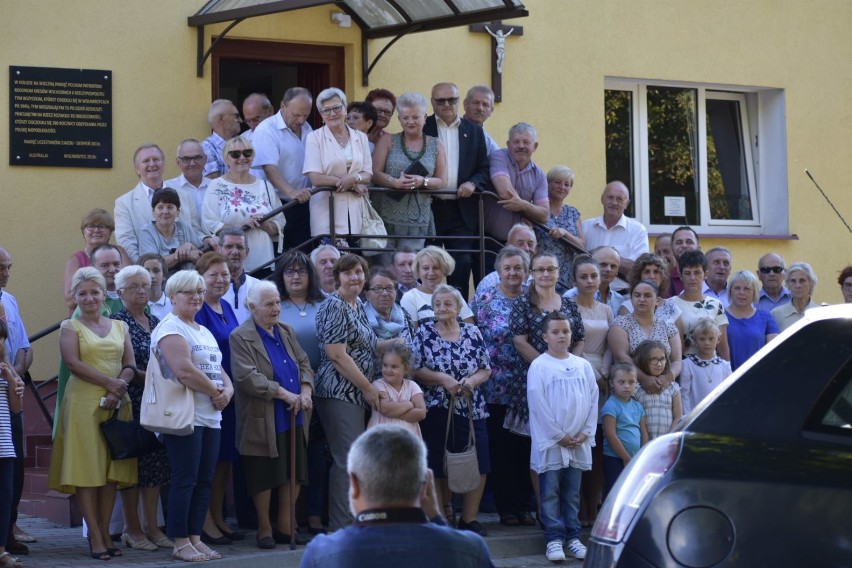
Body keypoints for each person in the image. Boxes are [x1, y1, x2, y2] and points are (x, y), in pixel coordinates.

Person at [299, 424, 494, 568]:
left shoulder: (323, 552)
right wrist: (437, 518)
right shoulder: (469, 549)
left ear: (355, 486)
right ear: (425, 487)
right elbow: (454, 546)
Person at [48, 267, 137, 561]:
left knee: (111, 472)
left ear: (104, 295)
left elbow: (130, 363)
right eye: (82, 293)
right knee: (88, 472)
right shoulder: (69, 327)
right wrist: (109, 384)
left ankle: (105, 533)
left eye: (94, 292)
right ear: (75, 297)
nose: (89, 298)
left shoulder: (119, 326)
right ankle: (96, 536)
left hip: (116, 403)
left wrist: (117, 388)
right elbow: (73, 363)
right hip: (84, 405)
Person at [149, 269, 234, 562]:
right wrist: (216, 392)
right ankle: (180, 541)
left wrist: (229, 390)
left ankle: (195, 538)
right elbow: (183, 370)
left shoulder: (202, 330)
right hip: (184, 415)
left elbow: (218, 367)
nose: (196, 297)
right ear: (173, 296)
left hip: (211, 414)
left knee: (205, 479)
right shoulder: (170, 328)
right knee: (185, 479)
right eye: (189, 292)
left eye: (199, 291)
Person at [230, 281, 314, 549]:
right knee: (264, 473)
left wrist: (305, 390)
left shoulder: (286, 330)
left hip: (295, 412)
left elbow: (303, 363)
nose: (276, 308)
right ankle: (264, 527)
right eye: (269, 304)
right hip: (265, 414)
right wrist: (282, 394)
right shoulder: (240, 336)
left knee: (294, 471)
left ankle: (286, 524)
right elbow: (246, 377)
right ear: (253, 307)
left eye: (277, 302)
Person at [412, 285, 491, 536]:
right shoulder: (424, 332)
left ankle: (469, 519)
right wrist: (444, 379)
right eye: (438, 304)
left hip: (471, 406)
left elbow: (485, 368)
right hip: (436, 406)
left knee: (479, 461)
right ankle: (438, 517)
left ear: (458, 308)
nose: (443, 308)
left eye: (448, 304)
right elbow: (415, 369)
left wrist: (472, 381)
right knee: (436, 462)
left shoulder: (472, 331)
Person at [313, 254, 381, 531]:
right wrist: (367, 388)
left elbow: (367, 345)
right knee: (347, 459)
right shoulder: (334, 306)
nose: (354, 277)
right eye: (348, 273)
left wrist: (396, 344)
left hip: (358, 393)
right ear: (337, 277)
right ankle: (341, 527)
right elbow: (336, 355)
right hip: (339, 391)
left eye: (359, 272)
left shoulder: (358, 305)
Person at [470, 246, 534, 527]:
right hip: (494, 387)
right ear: (498, 272)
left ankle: (524, 505)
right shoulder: (484, 299)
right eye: (507, 268)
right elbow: (472, 338)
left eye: (518, 268)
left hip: (527, 387)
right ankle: (506, 507)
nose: (513, 273)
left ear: (526, 272)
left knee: (525, 447)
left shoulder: (533, 300)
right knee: (500, 448)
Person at [110, 266, 172, 552]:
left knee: (156, 464)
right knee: (133, 466)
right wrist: (161, 378)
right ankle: (131, 528)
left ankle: (152, 525)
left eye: (145, 285)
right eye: (134, 286)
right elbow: (127, 367)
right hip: (131, 401)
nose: (141, 290)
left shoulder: (156, 320)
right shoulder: (117, 322)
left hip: (157, 402)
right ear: (120, 291)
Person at [527, 312, 597, 562]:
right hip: (553, 444)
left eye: (565, 331)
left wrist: (585, 432)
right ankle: (554, 539)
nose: (561, 336)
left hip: (578, 441)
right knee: (551, 492)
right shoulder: (540, 366)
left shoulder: (583, 365)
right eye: (555, 332)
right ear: (545, 336)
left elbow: (592, 400)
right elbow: (538, 405)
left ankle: (574, 538)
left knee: (572, 492)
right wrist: (559, 435)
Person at [274, 250, 327, 536]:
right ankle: (287, 518)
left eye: (301, 271)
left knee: (317, 456)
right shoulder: (275, 305)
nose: (296, 276)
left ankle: (315, 514)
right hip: (289, 391)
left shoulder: (325, 303)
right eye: (290, 271)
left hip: (324, 388)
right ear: (281, 276)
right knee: (293, 455)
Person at [191, 253, 243, 546]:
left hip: (230, 393)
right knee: (208, 461)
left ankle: (218, 516)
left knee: (224, 460)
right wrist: (219, 389)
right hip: (210, 394)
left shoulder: (225, 305)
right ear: (200, 278)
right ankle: (205, 521)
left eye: (224, 274)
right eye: (213, 275)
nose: (221, 279)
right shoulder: (199, 310)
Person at [424, 81, 491, 299]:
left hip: (461, 210)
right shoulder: (422, 127)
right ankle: (425, 313)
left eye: (451, 99)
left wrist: (472, 183)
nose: (446, 104)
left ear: (458, 101)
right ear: (432, 102)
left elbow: (484, 168)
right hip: (428, 208)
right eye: (440, 100)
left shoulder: (474, 131)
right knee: (427, 263)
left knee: (461, 264)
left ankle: (458, 317)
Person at [509, 253, 585, 435]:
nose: (545, 273)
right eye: (540, 269)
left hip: (567, 378)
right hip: (534, 375)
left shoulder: (569, 304)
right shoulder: (523, 303)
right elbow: (519, 341)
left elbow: (580, 338)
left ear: (558, 273)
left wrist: (567, 367)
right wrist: (550, 367)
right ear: (532, 274)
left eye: (551, 269)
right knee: (535, 440)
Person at [371, 91, 446, 257]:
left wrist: (422, 181)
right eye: (405, 118)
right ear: (399, 119)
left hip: (416, 220)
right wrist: (393, 182)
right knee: (385, 270)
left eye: (415, 117)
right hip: (385, 216)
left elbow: (440, 181)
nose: (410, 122)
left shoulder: (436, 145)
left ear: (425, 117)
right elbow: (374, 173)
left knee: (409, 271)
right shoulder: (388, 141)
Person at [570, 255, 613, 527]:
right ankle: (580, 504)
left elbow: (610, 344)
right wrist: (592, 374)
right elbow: (574, 343)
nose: (589, 281)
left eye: (593, 276)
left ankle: (594, 501)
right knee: (581, 438)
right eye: (583, 277)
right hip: (579, 373)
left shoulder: (606, 310)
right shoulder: (568, 307)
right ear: (575, 280)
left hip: (604, 378)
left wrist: (605, 373)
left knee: (598, 441)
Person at [203, 136, 286, 274]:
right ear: (226, 158)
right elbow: (209, 222)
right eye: (235, 154)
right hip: (231, 261)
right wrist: (241, 226)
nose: (242, 157)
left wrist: (264, 224)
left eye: (247, 153)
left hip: (263, 258)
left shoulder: (264, 185)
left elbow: (280, 221)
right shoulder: (217, 185)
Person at [303, 88, 373, 244]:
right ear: (321, 115)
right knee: (330, 265)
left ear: (345, 108)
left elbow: (368, 174)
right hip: (327, 213)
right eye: (326, 110)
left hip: (356, 213)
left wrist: (355, 178)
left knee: (355, 262)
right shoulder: (314, 138)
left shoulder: (361, 137)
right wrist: (351, 184)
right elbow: (316, 178)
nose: (332, 113)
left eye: (336, 108)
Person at [252, 87, 315, 249]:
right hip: (280, 205)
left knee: (304, 254)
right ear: (282, 106)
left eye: (305, 115)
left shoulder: (308, 128)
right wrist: (292, 192)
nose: (301, 120)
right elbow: (269, 168)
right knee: (283, 257)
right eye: (296, 115)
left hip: (305, 203)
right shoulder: (266, 130)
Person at [0, 248, 32, 557]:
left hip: (10, 391)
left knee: (14, 466)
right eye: (1, 267)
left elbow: (23, 346)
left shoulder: (10, 301)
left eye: (8, 267)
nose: (6, 273)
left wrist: (14, 374)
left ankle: (7, 531)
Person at [115, 144, 193, 261]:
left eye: (156, 159)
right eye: (146, 161)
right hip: (148, 272)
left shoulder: (184, 195)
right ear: (137, 169)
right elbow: (127, 242)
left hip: (186, 268)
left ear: (163, 164)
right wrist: (143, 268)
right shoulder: (124, 203)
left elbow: (196, 231)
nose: (152, 164)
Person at [608, 280, 683, 394]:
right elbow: (621, 357)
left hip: (664, 389)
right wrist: (644, 379)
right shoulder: (621, 324)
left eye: (647, 295)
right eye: (637, 295)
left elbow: (677, 360)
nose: (641, 299)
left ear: (657, 300)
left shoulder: (668, 327)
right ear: (631, 298)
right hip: (630, 389)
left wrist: (667, 378)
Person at [486, 123, 549, 246]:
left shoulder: (539, 175)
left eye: (526, 142)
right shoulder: (499, 157)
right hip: (489, 240)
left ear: (535, 146)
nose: (521, 146)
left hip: (520, 246)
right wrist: (530, 210)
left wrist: (524, 206)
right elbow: (505, 193)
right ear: (508, 144)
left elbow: (545, 215)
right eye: (516, 142)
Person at [63, 209, 131, 313]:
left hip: (120, 312)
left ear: (110, 232)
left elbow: (131, 284)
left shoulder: (119, 252)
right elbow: (70, 300)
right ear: (83, 231)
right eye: (91, 226)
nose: (96, 230)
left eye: (102, 226)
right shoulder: (76, 260)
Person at [668, 250, 731, 360]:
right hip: (682, 367)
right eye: (687, 273)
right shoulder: (670, 304)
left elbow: (722, 346)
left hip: (711, 367)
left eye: (697, 272)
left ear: (705, 274)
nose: (692, 278)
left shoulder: (716, 304)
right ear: (680, 275)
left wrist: (728, 372)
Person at [534, 166, 586, 291]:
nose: (562, 187)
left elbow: (582, 247)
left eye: (567, 184)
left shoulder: (573, 213)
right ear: (547, 183)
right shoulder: (537, 209)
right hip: (542, 274)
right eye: (557, 182)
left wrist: (565, 233)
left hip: (566, 278)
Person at [601, 362, 648, 498]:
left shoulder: (638, 406)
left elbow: (644, 432)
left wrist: (641, 455)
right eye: (621, 382)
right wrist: (626, 458)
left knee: (632, 494)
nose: (627, 386)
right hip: (615, 458)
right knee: (615, 493)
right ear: (612, 383)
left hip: (635, 458)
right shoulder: (611, 406)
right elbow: (611, 435)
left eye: (631, 382)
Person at [0, 319, 25, 568]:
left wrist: (12, 382)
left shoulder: (5, 372)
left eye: (1, 338)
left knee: (4, 499)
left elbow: (17, 410)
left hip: (4, 447)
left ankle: (1, 551)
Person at [581, 181, 649, 274]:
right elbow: (578, 259)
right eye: (610, 197)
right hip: (589, 287)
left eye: (620, 199)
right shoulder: (586, 226)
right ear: (602, 199)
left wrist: (599, 258)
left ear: (627, 204)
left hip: (622, 288)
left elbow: (638, 267)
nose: (614, 203)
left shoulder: (638, 230)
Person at [400, 246, 474, 326]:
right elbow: (412, 333)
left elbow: (470, 325)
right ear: (418, 270)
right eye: (425, 268)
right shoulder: (410, 297)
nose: (431, 273)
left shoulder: (454, 294)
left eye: (436, 268)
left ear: (444, 269)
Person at [367, 343, 426, 437]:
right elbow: (385, 409)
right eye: (385, 365)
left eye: (394, 366)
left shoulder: (412, 386)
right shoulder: (378, 385)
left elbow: (421, 413)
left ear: (406, 368)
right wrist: (408, 404)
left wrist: (394, 411)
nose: (388, 370)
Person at [164, 139, 216, 244]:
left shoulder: (216, 187)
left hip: (217, 245)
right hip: (185, 250)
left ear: (205, 159)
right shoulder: (168, 189)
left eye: (197, 158)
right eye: (186, 159)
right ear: (178, 162)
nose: (192, 163)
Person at [725, 270, 779, 371]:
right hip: (727, 378)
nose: (741, 292)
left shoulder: (766, 318)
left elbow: (774, 351)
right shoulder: (720, 316)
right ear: (730, 291)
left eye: (747, 289)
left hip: (757, 376)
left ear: (754, 292)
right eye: (737, 288)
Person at [139, 188, 205, 271]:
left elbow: (201, 255)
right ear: (153, 212)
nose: (165, 211)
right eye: (160, 207)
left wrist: (190, 245)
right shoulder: (147, 232)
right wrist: (183, 255)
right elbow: (151, 265)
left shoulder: (184, 227)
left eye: (170, 207)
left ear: (178, 211)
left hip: (190, 280)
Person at [679, 318, 732, 415]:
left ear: (718, 339)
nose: (707, 343)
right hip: (695, 417)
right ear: (695, 340)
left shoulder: (725, 365)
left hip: (719, 414)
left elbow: (729, 393)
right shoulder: (687, 364)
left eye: (711, 338)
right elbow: (684, 394)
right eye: (702, 339)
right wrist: (688, 417)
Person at [631, 340, 682, 439]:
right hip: (643, 441)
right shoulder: (637, 388)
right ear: (643, 360)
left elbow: (678, 416)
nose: (659, 364)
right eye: (654, 359)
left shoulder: (673, 387)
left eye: (662, 359)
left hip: (667, 441)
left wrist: (669, 439)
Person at [364, 268, 414, 358]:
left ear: (396, 292)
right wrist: (394, 343)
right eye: (378, 288)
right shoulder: (360, 317)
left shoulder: (405, 315)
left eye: (389, 288)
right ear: (367, 294)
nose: (384, 293)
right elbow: (364, 348)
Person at [474, 224, 537, 296]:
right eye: (520, 244)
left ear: (536, 248)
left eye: (530, 244)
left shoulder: (542, 279)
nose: (526, 248)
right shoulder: (491, 281)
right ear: (508, 246)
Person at [617, 253, 681, 324]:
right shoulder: (627, 307)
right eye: (647, 272)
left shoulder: (672, 308)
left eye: (656, 272)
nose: (652, 276)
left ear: (662, 276)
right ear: (638, 276)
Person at [564, 246, 626, 315]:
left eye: (613, 266)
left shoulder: (620, 300)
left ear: (617, 271)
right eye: (603, 264)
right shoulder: (572, 295)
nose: (608, 269)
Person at [219, 228, 259, 323]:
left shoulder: (258, 286)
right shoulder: (208, 288)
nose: (235, 252)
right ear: (219, 250)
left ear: (247, 251)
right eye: (229, 247)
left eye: (240, 247)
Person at [771, 262, 819, 332]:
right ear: (787, 285)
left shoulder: (821, 314)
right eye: (793, 281)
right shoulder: (776, 315)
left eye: (802, 281)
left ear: (811, 284)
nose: (798, 285)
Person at [202, 99, 243, 179]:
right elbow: (214, 185)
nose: (241, 120)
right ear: (221, 119)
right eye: (236, 116)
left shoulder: (243, 143)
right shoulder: (206, 148)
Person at [462, 85, 499, 155]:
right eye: (476, 103)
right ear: (465, 104)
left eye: (485, 104)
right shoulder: (449, 129)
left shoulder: (491, 147)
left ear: (491, 111)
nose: (480, 108)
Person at [669, 226, 701, 297]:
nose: (684, 246)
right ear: (671, 249)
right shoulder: (665, 281)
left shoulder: (707, 279)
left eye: (689, 242)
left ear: (698, 248)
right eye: (679, 242)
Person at [138, 253, 171, 320]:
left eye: (156, 271)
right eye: (146, 271)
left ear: (164, 275)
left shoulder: (173, 304)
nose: (152, 276)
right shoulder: (136, 306)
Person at [653, 234, 676, 299]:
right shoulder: (651, 277)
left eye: (666, 251)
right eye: (658, 252)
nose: (662, 257)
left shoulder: (684, 276)